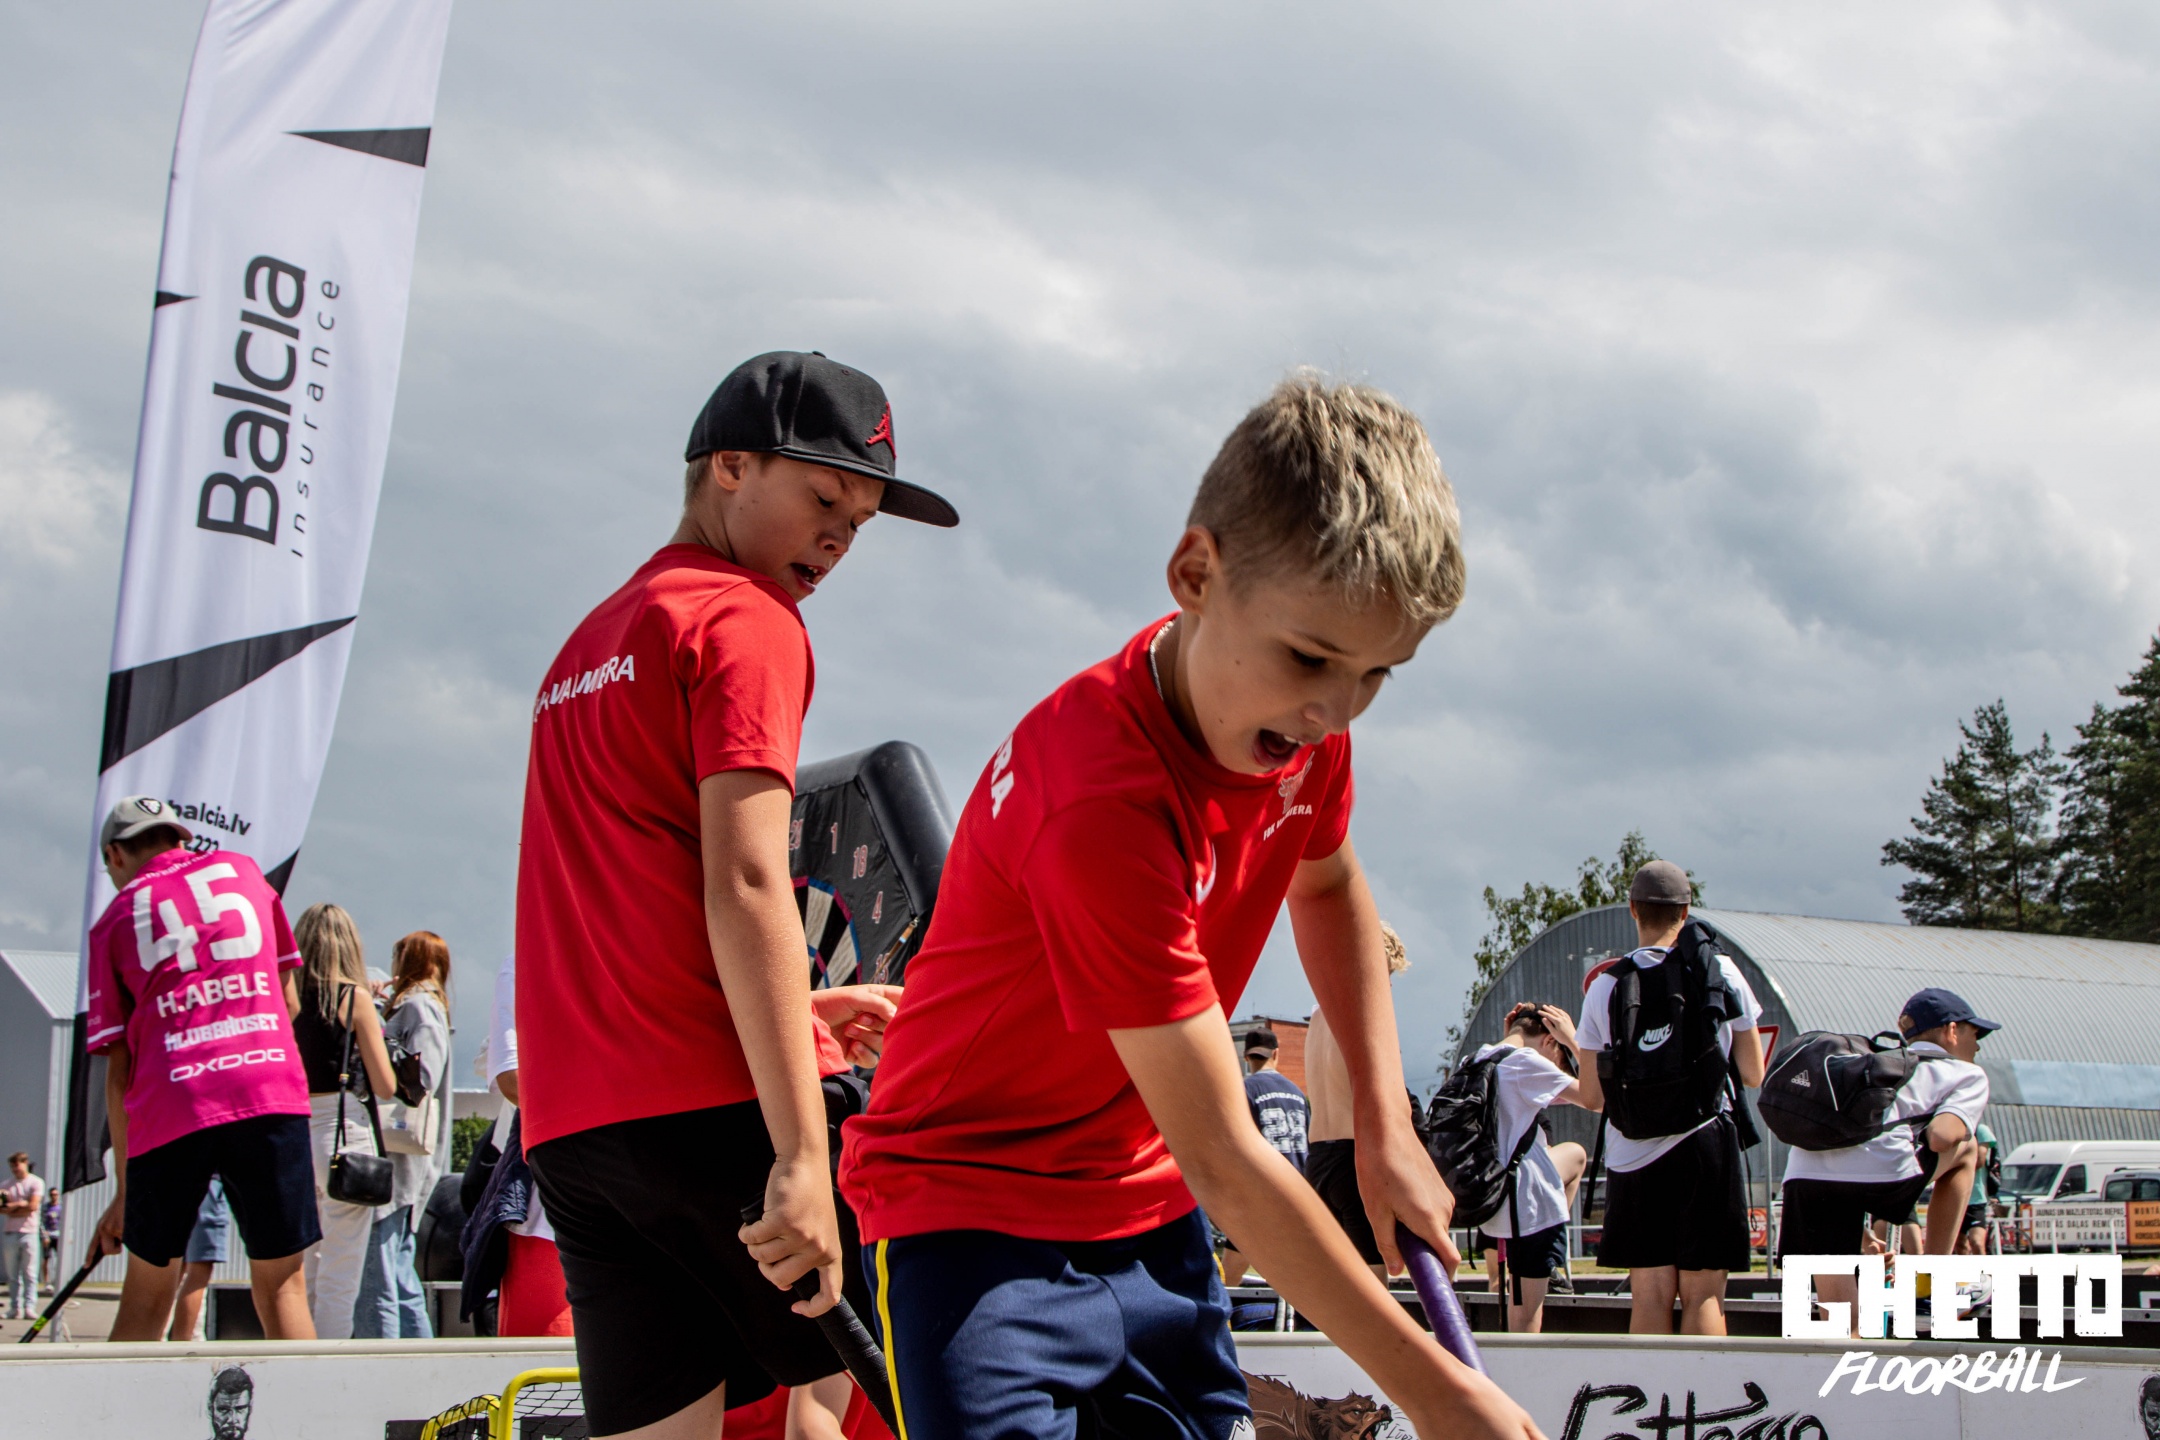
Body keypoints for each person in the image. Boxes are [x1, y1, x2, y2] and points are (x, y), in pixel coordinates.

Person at [843, 377, 1540, 1440]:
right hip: (974, 1223)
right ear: (1195, 575)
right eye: (1312, 659)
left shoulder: (1296, 729)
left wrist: (1384, 1126)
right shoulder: (1099, 799)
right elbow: (1226, 1156)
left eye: (1377, 676)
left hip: (1151, 1212)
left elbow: (1328, 884)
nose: (1335, 709)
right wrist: (1441, 1395)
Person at [516, 351, 947, 1439]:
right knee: (906, 1399)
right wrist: (802, 1150)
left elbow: (627, 892)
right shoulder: (747, 618)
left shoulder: (587, 645)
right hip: (717, 1114)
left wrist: (799, 1009)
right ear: (730, 466)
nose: (840, 538)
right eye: (823, 499)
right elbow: (748, 879)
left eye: (859, 522)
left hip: (579, 1129)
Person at [83, 796, 320, 1341]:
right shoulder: (244, 874)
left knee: (148, 1294)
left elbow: (119, 1072)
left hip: (174, 1100)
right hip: (267, 1087)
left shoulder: (115, 920)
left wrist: (124, 1191)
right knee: (283, 1285)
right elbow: (289, 1002)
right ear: (178, 838)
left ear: (115, 854)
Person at [1574, 860, 1766, 1336]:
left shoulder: (1606, 985)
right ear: (1685, 911)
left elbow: (1593, 1097)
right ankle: (1706, 1385)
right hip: (1706, 1144)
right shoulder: (1720, 971)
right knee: (1704, 1295)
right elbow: (1752, 1073)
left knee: (1650, 1294)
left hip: (1632, 1153)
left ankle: (1649, 1387)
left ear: (1633, 909)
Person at [1780, 988, 1992, 1328]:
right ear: (1952, 1031)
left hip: (1804, 1175)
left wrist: (1863, 1235)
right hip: (1883, 1175)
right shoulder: (1965, 1073)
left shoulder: (1875, 1063)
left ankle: (1839, 1350)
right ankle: (1936, 1279)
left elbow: (1846, 1157)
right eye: (1975, 1034)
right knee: (1967, 1147)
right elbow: (1941, 1137)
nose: (1978, 1045)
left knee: (1839, 1317)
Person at [290, 902, 398, 1339]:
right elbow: (386, 1086)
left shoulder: (285, 998)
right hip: (343, 1132)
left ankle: (297, 1352)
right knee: (341, 1268)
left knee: (303, 1265)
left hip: (295, 1131)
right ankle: (328, 1360)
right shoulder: (353, 999)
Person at [1303, 921, 1420, 1280]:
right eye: (1386, 974)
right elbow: (1386, 1093)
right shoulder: (1366, 1010)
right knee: (1373, 1283)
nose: (1387, 986)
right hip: (1352, 1159)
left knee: (1338, 1284)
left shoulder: (1318, 1014)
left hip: (1317, 1160)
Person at [353, 931, 453, 1338]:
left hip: (397, 1160)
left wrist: (375, 1027)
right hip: (406, 1162)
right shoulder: (427, 1006)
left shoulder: (417, 1007)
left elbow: (420, 1079)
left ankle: (384, 1360)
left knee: (378, 1274)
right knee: (397, 1270)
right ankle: (419, 1360)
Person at [1470, 1004, 1590, 1333]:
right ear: (1550, 1041)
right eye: (1558, 1056)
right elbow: (1596, 1100)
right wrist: (1575, 1041)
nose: (1556, 1066)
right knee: (1525, 1321)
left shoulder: (1477, 1059)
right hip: (1530, 1204)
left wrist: (1512, 1035)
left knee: (1512, 1307)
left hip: (1492, 1199)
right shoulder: (1527, 1063)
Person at [1218, 1027, 1310, 1284]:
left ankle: (1226, 1311)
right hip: (1299, 1191)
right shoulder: (1296, 1093)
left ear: (1246, 1057)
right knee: (1296, 1275)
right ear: (1276, 1054)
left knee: (1231, 1274)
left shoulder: (1244, 1089)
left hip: (1260, 1192)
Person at [168, 1178, 231, 1340]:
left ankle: (159, 1338)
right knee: (198, 1272)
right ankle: (184, 1344)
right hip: (206, 1185)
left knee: (173, 1268)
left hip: (171, 1184)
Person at [2, 1152, 46, 1319]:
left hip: (29, 1232)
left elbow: (33, 1206)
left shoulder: (36, 1182)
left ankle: (29, 1307)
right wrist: (20, 1204)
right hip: (10, 1232)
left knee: (29, 1272)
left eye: (17, 1166)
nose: (15, 1170)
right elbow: (2, 1208)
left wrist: (14, 1207)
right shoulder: (6, 1185)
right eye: (12, 1167)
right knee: (13, 1275)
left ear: (25, 1164)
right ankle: (15, 1308)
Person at [1957, 1119, 2001, 1255]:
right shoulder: (1952, 1131)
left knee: (1977, 1243)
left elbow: (1980, 1161)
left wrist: (1955, 1161)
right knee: (1959, 1245)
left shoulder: (1980, 1130)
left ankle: (1983, 1270)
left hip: (1976, 1199)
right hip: (1955, 1199)